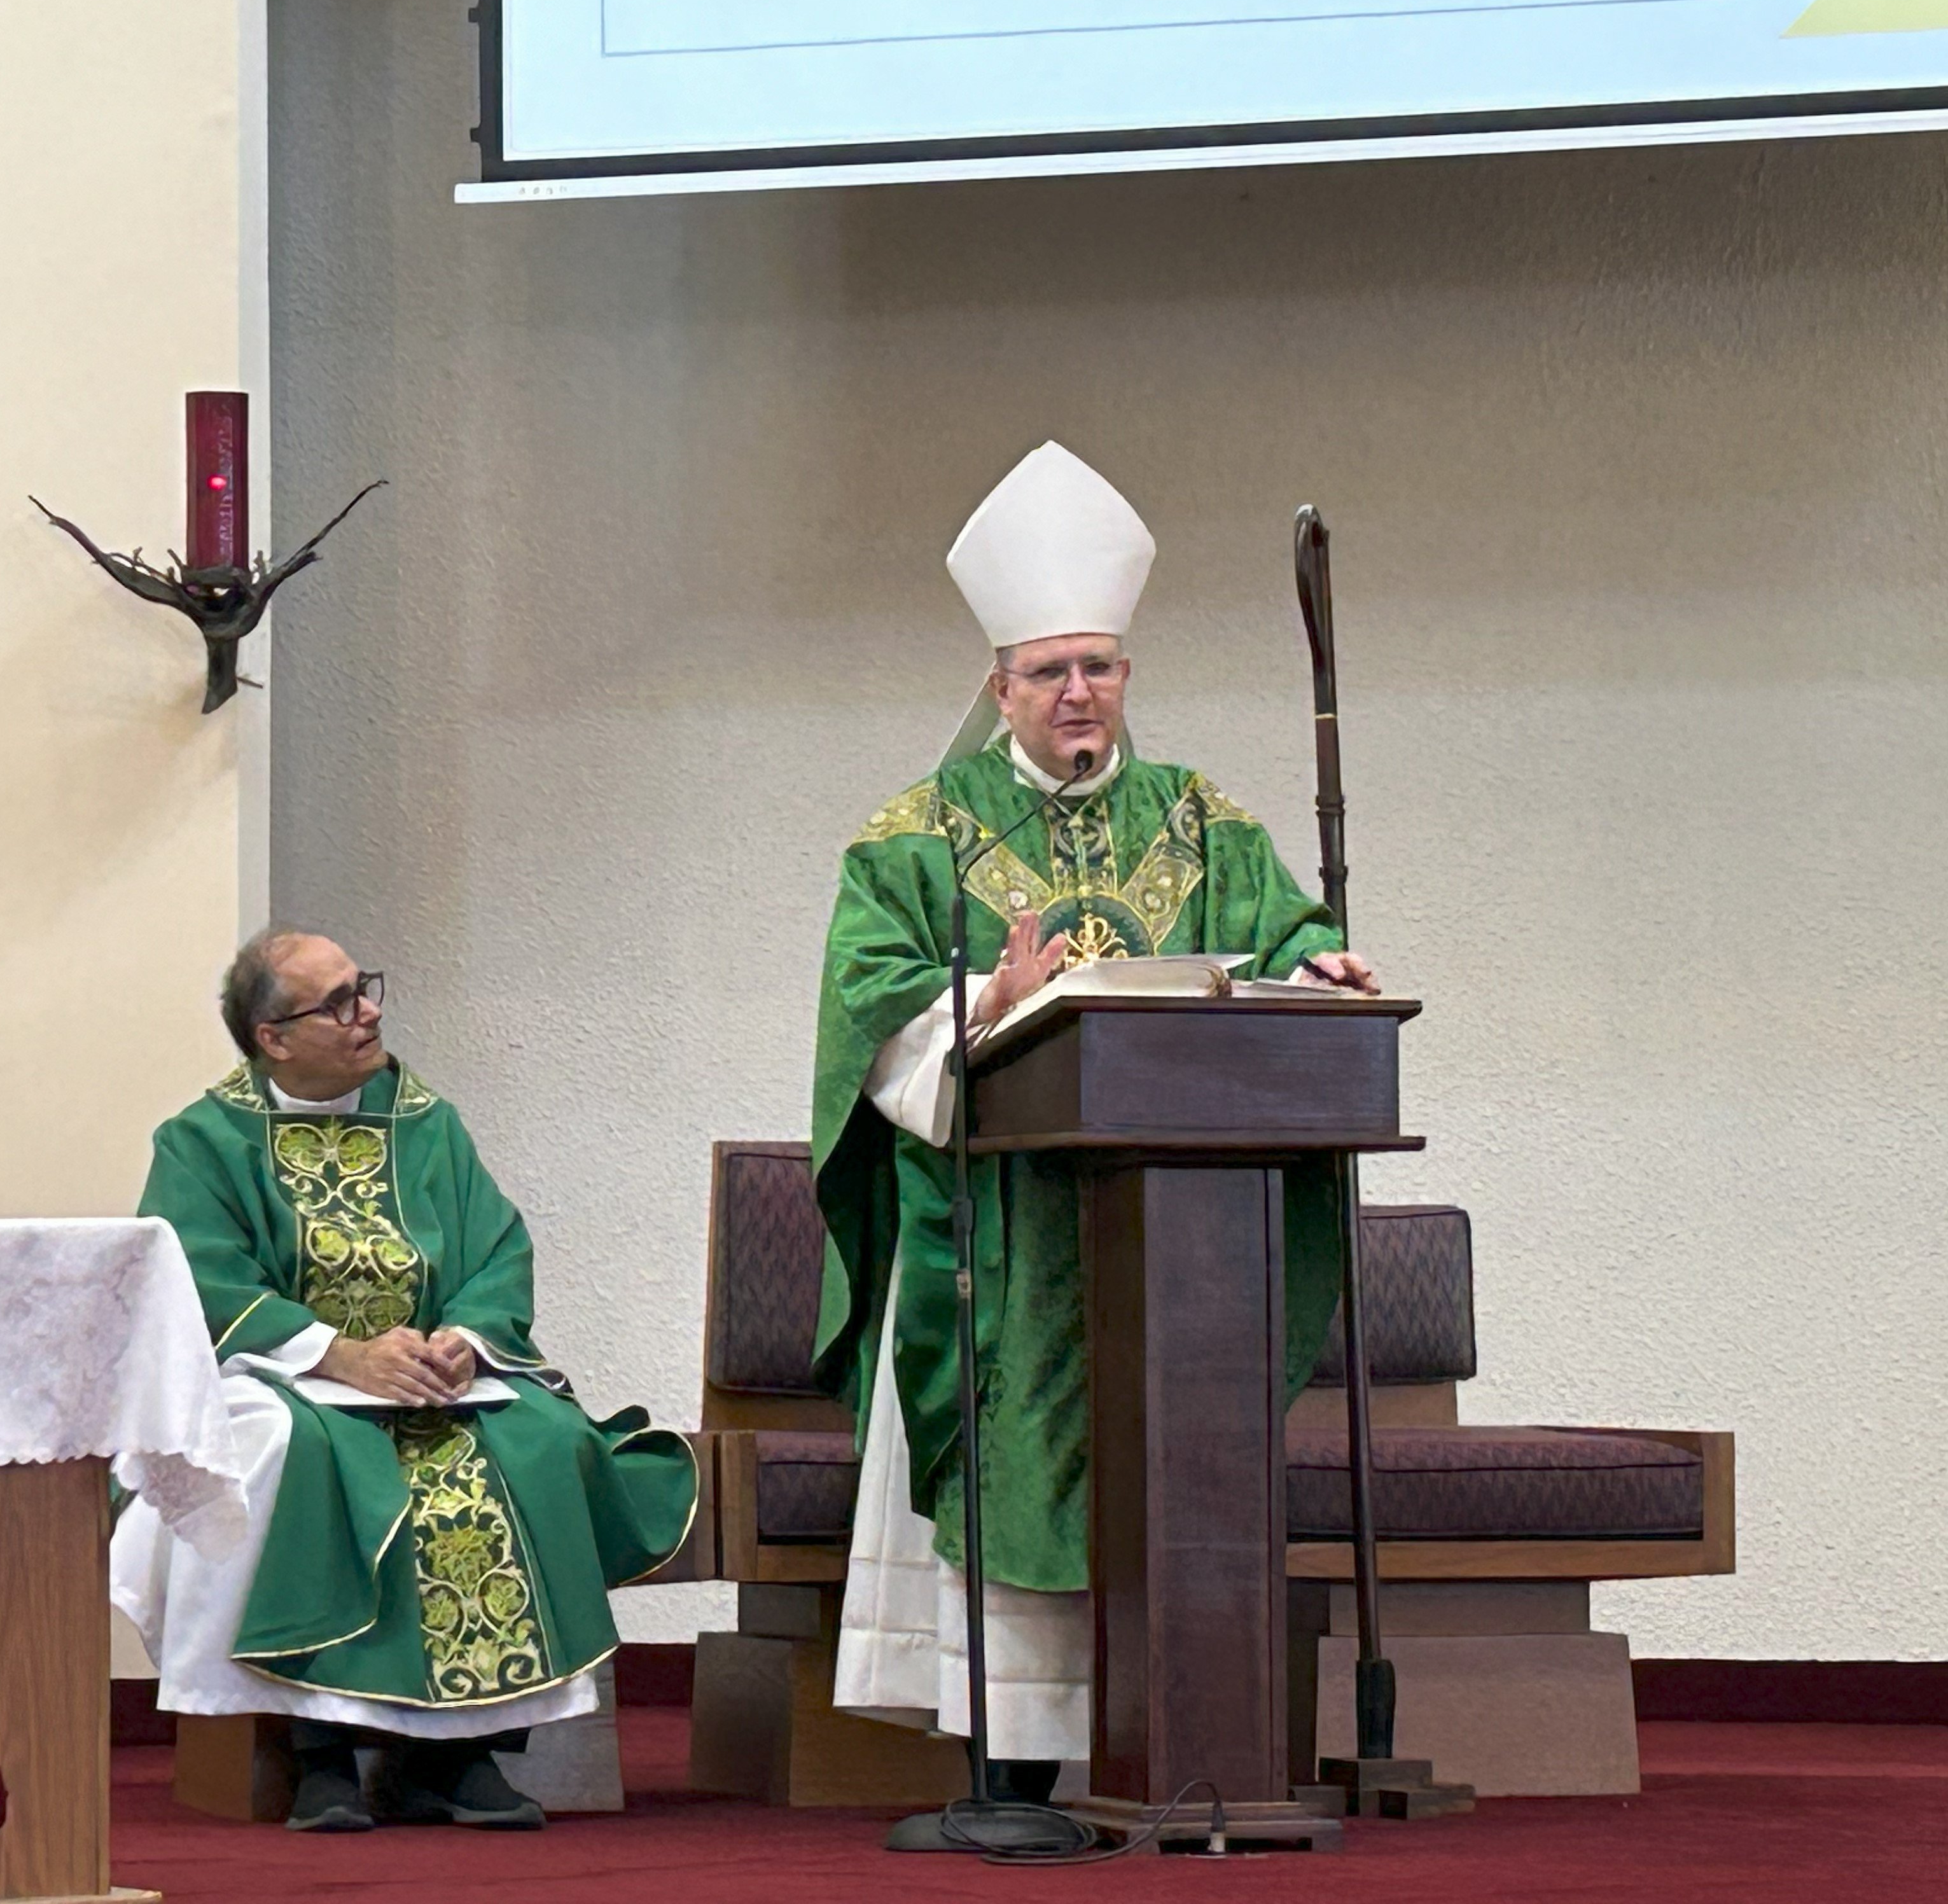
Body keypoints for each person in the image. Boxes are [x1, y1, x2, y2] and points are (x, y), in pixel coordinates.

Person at [811, 441, 1377, 1800]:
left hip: (1171, 1251)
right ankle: (1006, 1771)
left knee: (1159, 1454)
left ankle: (1163, 1743)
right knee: (1016, 1449)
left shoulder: (1203, 821)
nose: (1081, 694)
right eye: (1052, 671)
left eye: (1102, 668)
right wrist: (984, 1013)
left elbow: (1273, 934)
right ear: (1000, 684)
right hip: (996, 1232)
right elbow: (870, 1013)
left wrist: (1317, 968)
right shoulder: (919, 836)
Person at [111, 929, 697, 1831]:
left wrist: (463, 1338)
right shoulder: (203, 1141)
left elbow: (496, 1248)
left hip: (429, 1375)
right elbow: (196, 1276)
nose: (369, 1011)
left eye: (366, 989)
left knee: (541, 1441)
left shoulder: (425, 1122)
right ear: (272, 1036)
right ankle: (322, 1761)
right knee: (286, 1451)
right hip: (285, 1376)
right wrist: (338, 1354)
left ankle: (456, 1762)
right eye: (340, 1001)